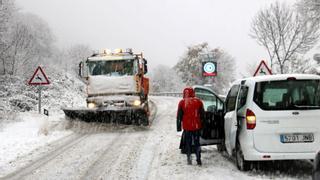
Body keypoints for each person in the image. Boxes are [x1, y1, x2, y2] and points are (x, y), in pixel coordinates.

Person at [177, 87, 205, 165]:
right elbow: (203, 115)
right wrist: (203, 125)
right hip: (196, 126)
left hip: (187, 127)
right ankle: (198, 159)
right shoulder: (198, 102)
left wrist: (179, 127)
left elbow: (179, 116)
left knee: (188, 143)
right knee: (197, 143)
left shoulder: (182, 103)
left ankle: (189, 158)